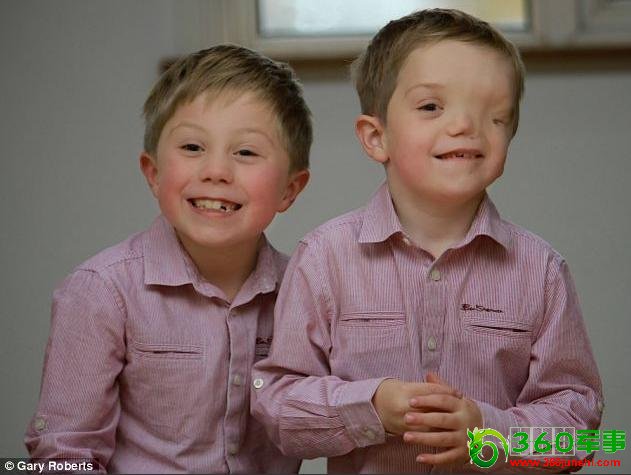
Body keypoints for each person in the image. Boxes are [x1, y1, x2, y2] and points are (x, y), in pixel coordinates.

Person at [252, 9, 602, 473]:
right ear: (376, 137)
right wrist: (371, 408)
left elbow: (579, 433)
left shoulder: (541, 271)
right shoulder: (323, 259)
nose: (465, 125)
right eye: (432, 107)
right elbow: (277, 407)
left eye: (494, 114)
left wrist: (491, 433)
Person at [25, 44, 311, 473]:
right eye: (193, 147)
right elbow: (62, 454)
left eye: (246, 152)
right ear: (154, 174)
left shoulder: (305, 291)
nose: (216, 171)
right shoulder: (101, 292)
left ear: (290, 189)